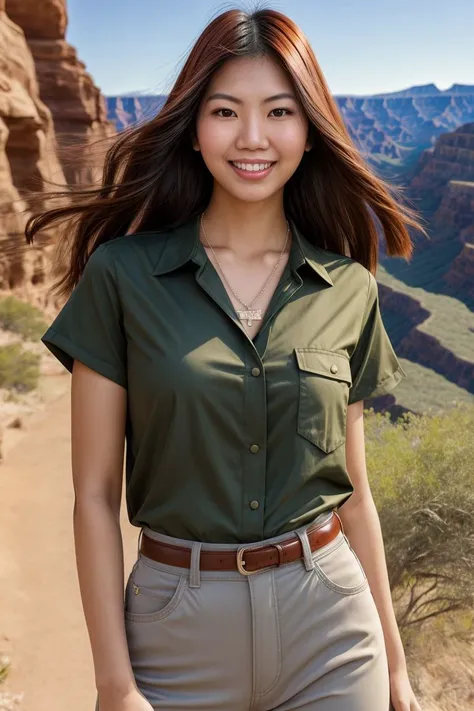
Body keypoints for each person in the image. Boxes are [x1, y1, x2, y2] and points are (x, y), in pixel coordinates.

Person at [27, 6, 426, 711]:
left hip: (331, 626)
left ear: (309, 131)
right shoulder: (124, 277)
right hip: (175, 633)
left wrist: (396, 673)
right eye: (224, 111)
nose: (252, 137)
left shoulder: (349, 289)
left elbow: (356, 494)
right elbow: (93, 496)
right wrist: (113, 684)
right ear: (193, 128)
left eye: (279, 112)